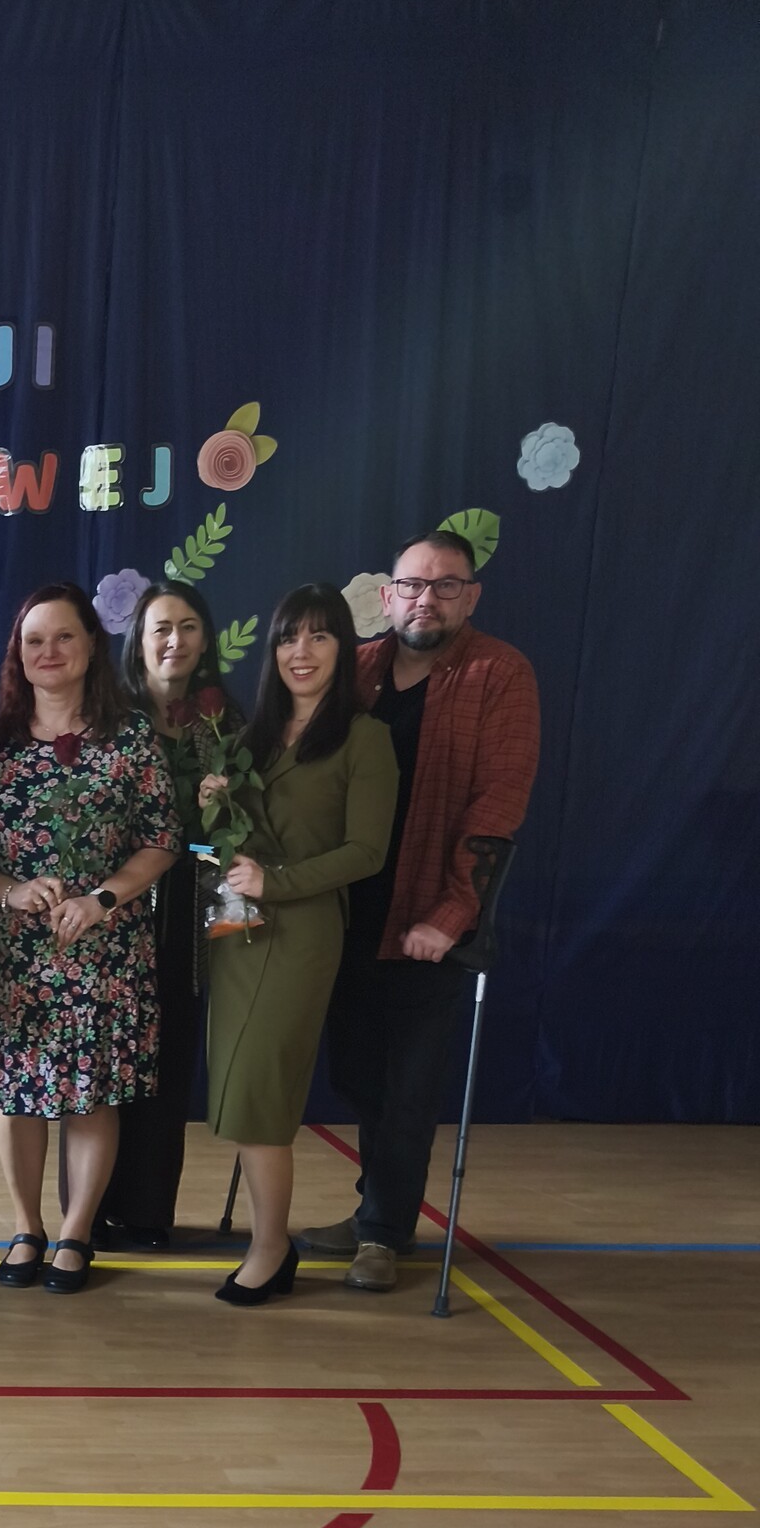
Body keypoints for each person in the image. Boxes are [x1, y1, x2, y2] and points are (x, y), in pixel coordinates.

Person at [301, 531, 540, 1290]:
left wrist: (453, 910)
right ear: (387, 595)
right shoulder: (359, 668)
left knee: (407, 1084)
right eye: (411, 585)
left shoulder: (499, 672)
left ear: (471, 596)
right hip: (347, 907)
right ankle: (374, 1208)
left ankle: (383, 1232)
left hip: (429, 916)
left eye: (445, 586)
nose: (425, 600)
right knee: (358, 1074)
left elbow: (499, 803)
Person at [0, 582, 180, 1294]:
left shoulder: (131, 738)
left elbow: (162, 841)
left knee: (93, 1094)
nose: (48, 651)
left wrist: (102, 898)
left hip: (104, 948)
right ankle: (27, 1227)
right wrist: (11, 891)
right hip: (17, 951)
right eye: (34, 640)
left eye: (64, 637)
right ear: (17, 654)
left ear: (91, 647)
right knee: (19, 1094)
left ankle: (77, 1231)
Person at [204, 585, 397, 1305]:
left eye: (319, 636)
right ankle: (268, 1242)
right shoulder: (248, 737)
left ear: (345, 648)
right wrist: (212, 809)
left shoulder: (363, 738)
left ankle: (270, 1247)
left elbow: (367, 852)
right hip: (235, 932)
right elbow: (221, 847)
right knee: (240, 1087)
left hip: (301, 934)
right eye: (289, 638)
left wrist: (277, 881)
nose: (302, 652)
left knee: (262, 1094)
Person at [92, 580, 243, 1250]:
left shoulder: (227, 727)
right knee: (109, 1059)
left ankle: (149, 1211)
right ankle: (91, 1209)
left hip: (190, 911)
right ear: (138, 641)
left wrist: (216, 818)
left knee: (170, 1060)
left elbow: (236, 841)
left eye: (187, 627)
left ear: (205, 640)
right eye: (160, 628)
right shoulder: (109, 721)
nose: (174, 641)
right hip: (117, 911)